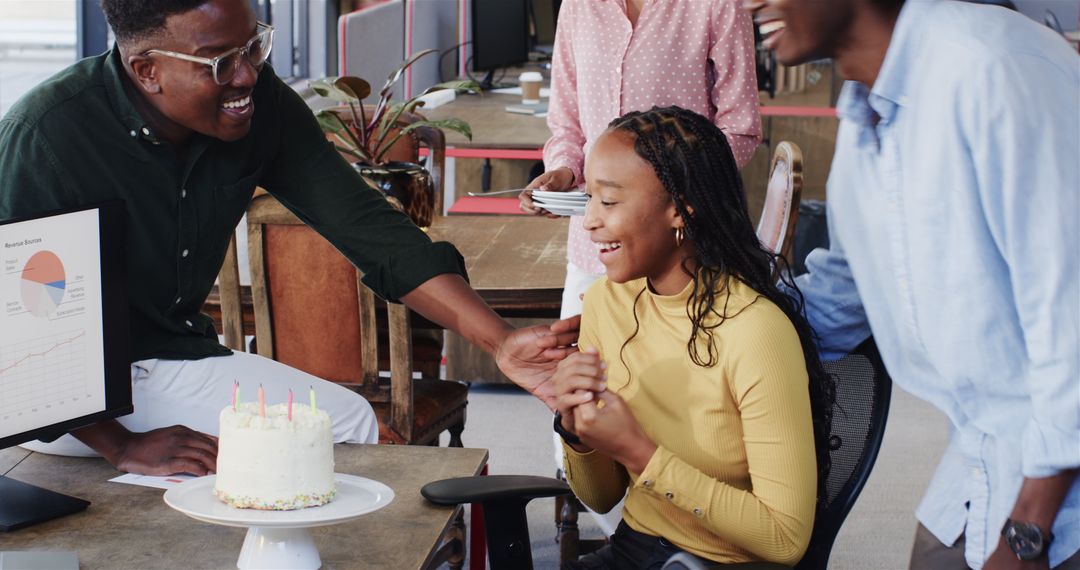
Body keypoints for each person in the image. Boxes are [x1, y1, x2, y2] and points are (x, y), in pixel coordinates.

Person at [0, 0, 576, 477]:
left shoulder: (260, 106)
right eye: (219, 62)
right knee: (345, 427)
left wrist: (501, 342)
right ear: (147, 69)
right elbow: (19, 331)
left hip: (172, 357)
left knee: (339, 431)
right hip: (60, 390)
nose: (247, 75)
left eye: (254, 46)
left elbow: (371, 230)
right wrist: (121, 445)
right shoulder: (45, 136)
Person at [743, 0, 1079, 568]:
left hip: (1054, 491)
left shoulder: (992, 67)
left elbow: (1070, 319)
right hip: (980, 461)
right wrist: (690, 328)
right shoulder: (868, 119)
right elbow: (838, 299)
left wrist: (1028, 533)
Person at [550, 106, 834, 569]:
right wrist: (575, 429)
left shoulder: (755, 330)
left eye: (610, 202)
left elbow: (786, 539)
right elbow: (602, 498)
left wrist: (641, 453)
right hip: (636, 547)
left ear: (680, 208)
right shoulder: (605, 302)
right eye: (590, 199)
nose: (589, 221)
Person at [519, 0, 763, 319]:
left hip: (683, 252)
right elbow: (567, 125)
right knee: (581, 350)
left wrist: (670, 185)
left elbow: (740, 130)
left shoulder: (718, 5)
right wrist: (563, 170)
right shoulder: (579, 5)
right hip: (595, 248)